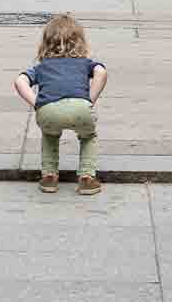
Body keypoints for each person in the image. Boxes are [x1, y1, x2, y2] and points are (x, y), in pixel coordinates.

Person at [14, 13, 107, 195]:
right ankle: (87, 177)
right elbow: (101, 72)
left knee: (50, 135)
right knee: (88, 137)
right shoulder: (85, 63)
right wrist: (90, 99)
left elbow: (19, 81)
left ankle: (49, 177)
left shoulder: (41, 66)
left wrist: (37, 103)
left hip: (48, 110)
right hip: (81, 109)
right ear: (80, 41)